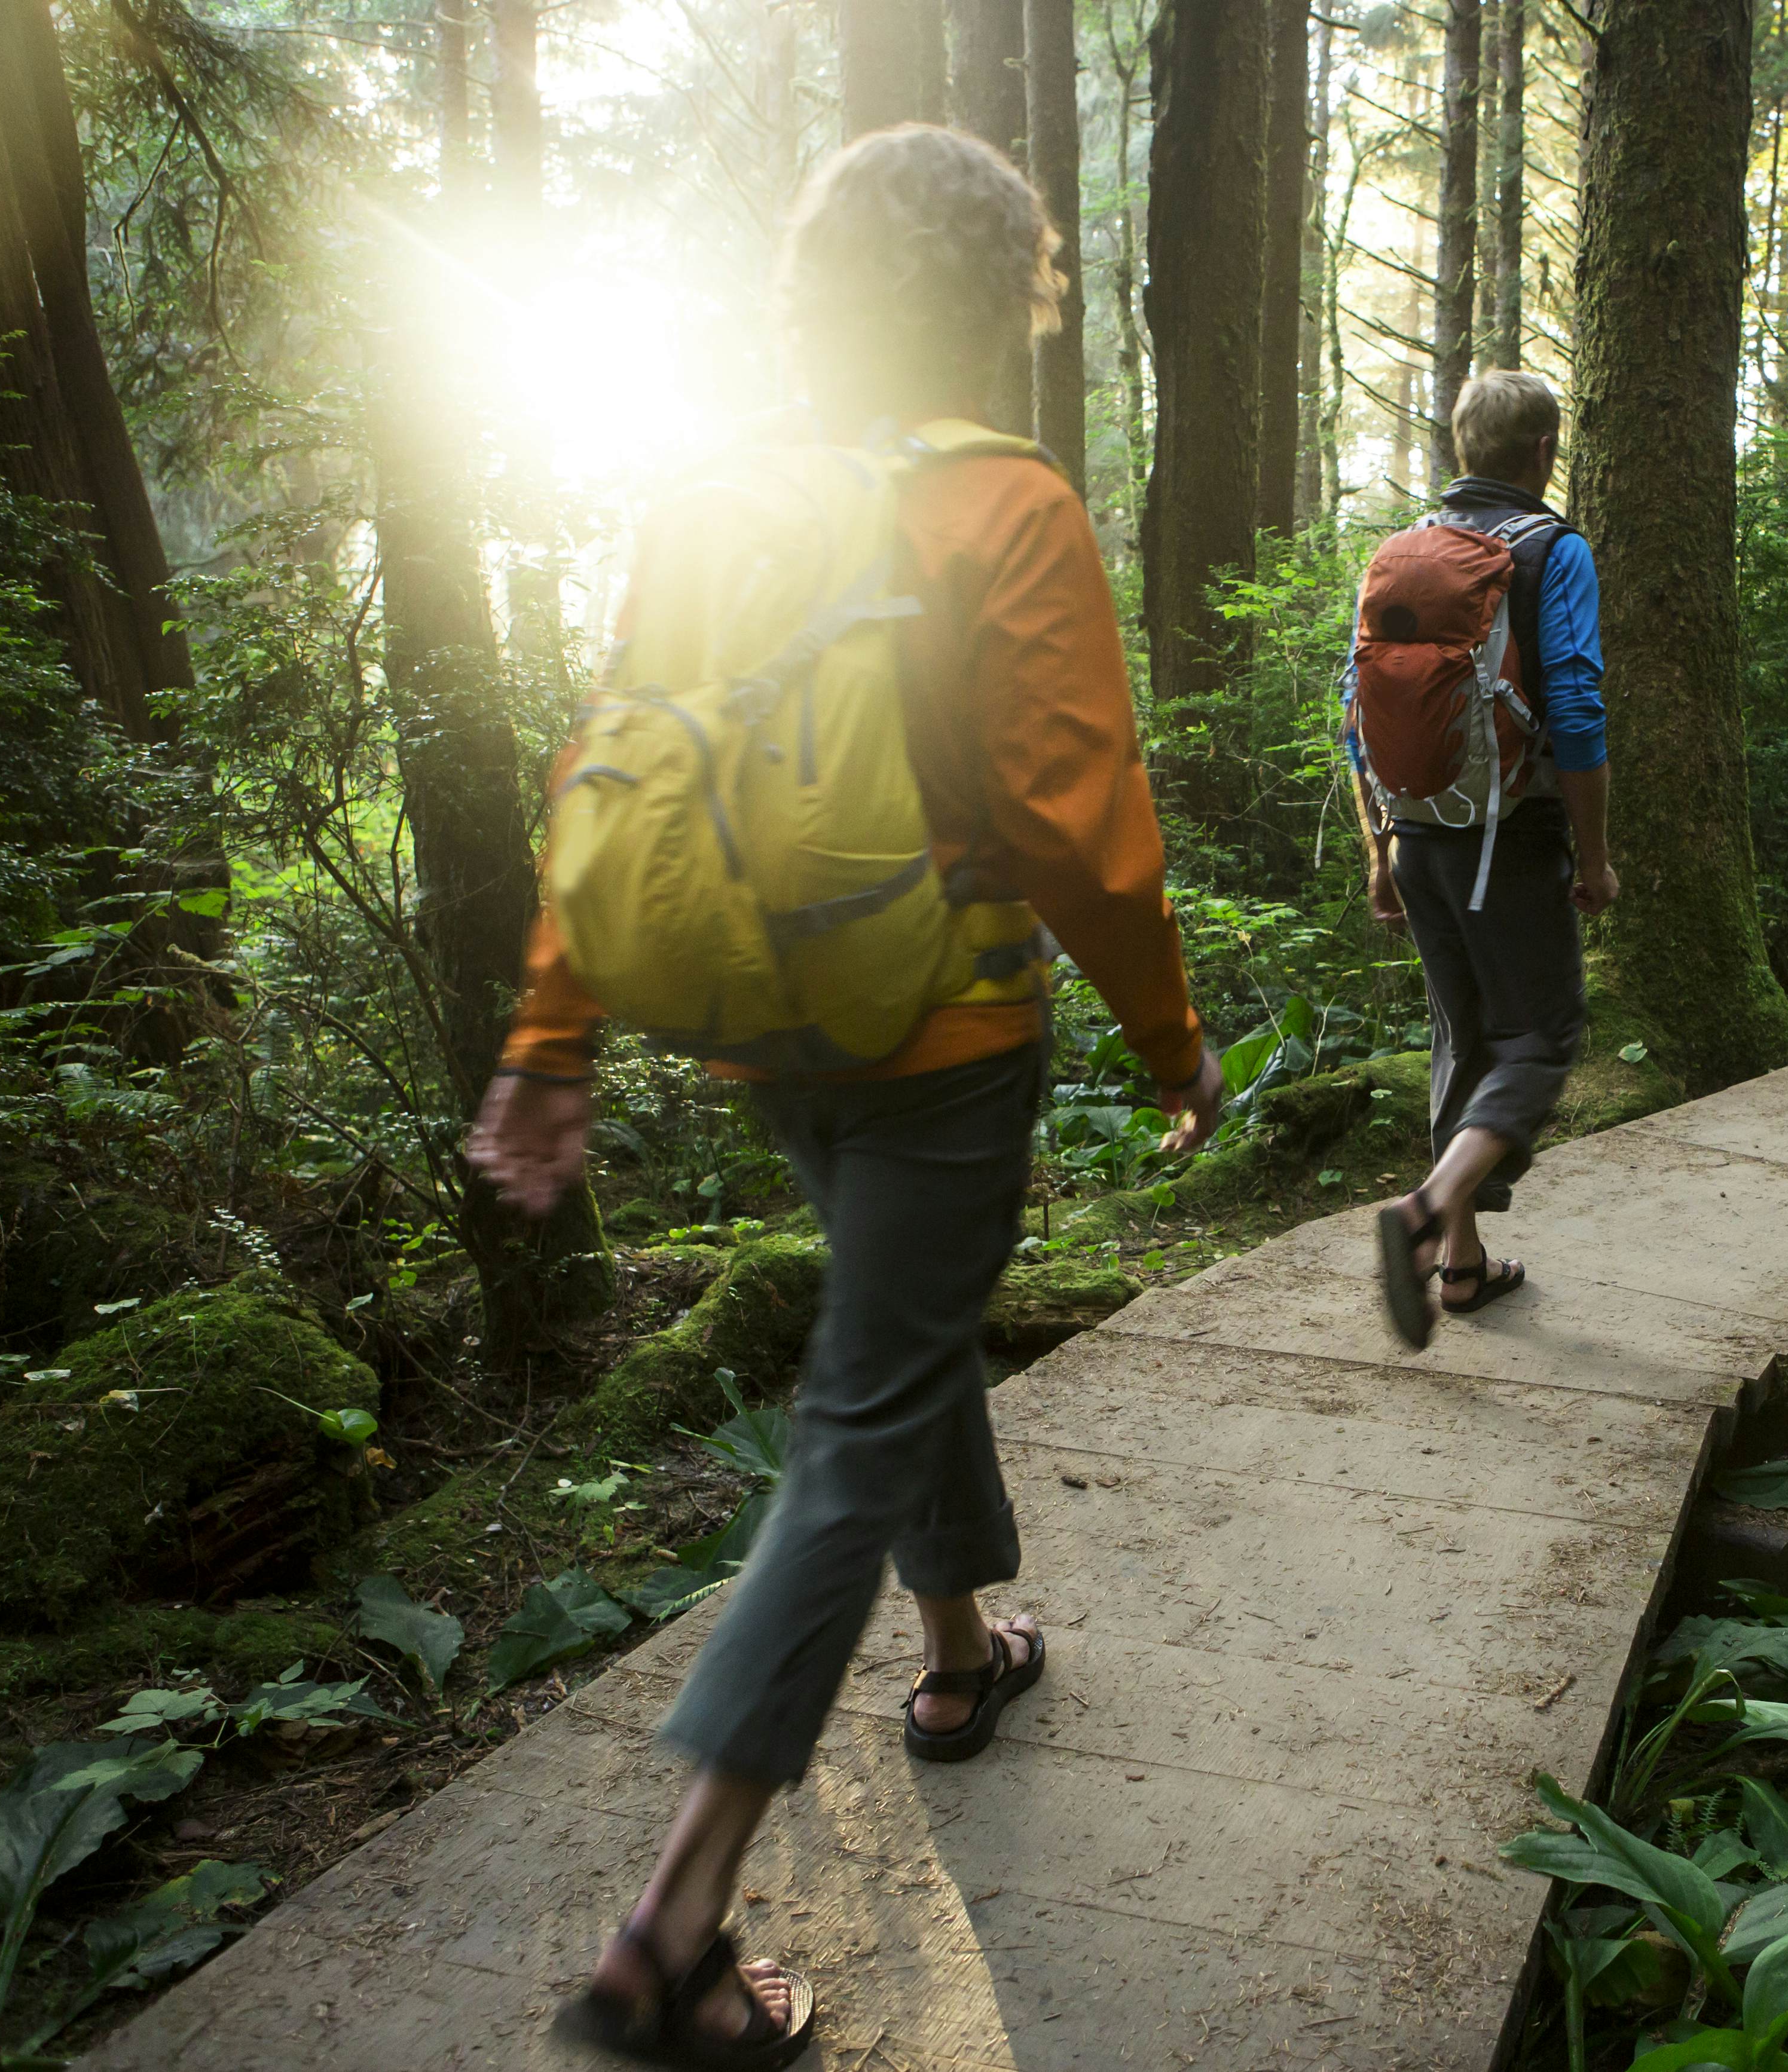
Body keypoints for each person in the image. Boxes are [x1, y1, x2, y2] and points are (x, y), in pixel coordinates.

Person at [464, 126, 1222, 2069]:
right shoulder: (1007, 504)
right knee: (858, 1416)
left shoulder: (717, 501)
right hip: (947, 1031)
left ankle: (961, 1663)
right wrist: (1167, 1032)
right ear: (1001, 293)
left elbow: (615, 770)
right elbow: (1076, 819)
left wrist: (555, 1037)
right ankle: (673, 1922)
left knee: (906, 1330)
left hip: (768, 1029)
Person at [1357, 371, 1616, 1348]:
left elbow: (1359, 712)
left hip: (1420, 835)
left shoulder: (1402, 554)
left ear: (1463, 449)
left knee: (1460, 1036)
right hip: (1509, 840)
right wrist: (1595, 857)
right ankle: (1427, 1217)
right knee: (1539, 1037)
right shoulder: (1553, 552)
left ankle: (1464, 1270)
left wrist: (1383, 852)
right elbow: (1580, 709)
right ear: (1544, 451)